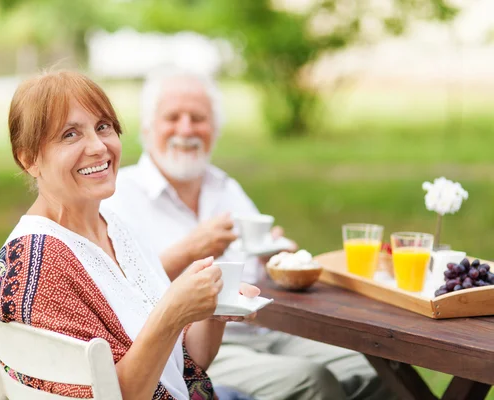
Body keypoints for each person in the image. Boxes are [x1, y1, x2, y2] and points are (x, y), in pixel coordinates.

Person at [104, 68, 395, 400]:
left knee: (379, 372)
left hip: (269, 330)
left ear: (214, 129)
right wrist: (189, 249)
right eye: (173, 117)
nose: (186, 129)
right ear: (147, 127)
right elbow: (120, 288)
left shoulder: (225, 187)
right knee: (314, 382)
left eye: (197, 118)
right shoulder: (121, 196)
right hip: (189, 348)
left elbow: (261, 271)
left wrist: (278, 259)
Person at [0, 70, 260, 400]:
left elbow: (185, 365)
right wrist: (171, 313)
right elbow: (116, 396)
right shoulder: (37, 265)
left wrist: (213, 310)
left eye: (103, 127)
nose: (99, 147)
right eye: (70, 134)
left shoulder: (115, 227)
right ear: (29, 159)